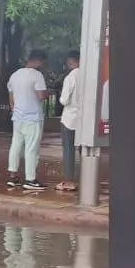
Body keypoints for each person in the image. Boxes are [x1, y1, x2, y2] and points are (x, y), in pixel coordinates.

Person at [6, 50, 50, 190]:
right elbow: (41, 96)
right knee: (31, 148)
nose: (43, 65)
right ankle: (30, 180)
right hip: (33, 117)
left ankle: (13, 177)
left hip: (18, 118)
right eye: (43, 62)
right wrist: (46, 93)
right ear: (39, 61)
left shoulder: (15, 75)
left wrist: (16, 109)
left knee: (16, 146)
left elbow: (11, 98)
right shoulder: (37, 75)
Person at [57, 50, 82, 191]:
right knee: (84, 151)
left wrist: (61, 96)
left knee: (68, 150)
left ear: (71, 62)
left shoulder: (70, 77)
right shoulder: (88, 76)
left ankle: (69, 182)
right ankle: (86, 179)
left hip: (69, 120)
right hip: (83, 120)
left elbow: (64, 100)